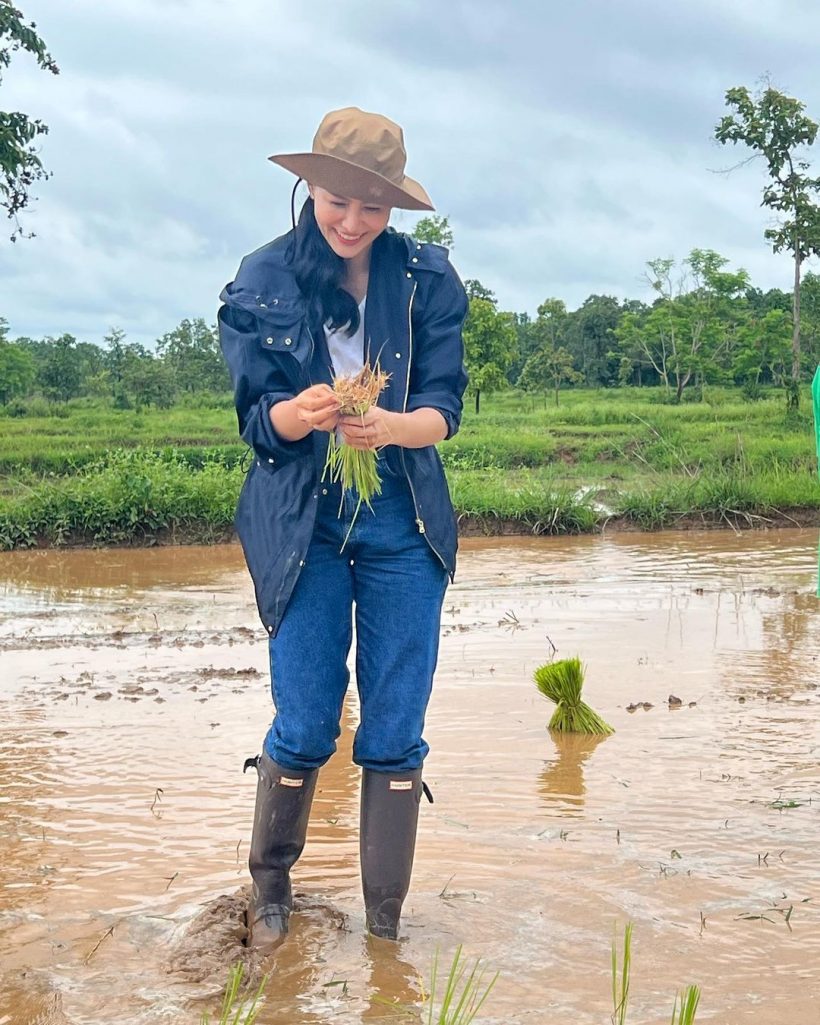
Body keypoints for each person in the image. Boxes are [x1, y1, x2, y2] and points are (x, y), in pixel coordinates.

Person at [217, 106, 469, 952]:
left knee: (396, 726)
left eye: (372, 206)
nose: (353, 221)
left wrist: (389, 427)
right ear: (310, 185)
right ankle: (271, 890)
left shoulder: (427, 279)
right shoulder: (262, 280)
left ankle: (386, 928)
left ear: (394, 206)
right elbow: (259, 424)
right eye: (337, 200)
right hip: (304, 524)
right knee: (308, 721)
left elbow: (444, 410)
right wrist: (297, 411)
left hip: (402, 517)